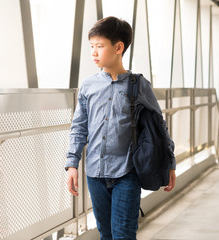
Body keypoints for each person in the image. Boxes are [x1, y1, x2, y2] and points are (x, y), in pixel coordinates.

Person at [65, 16, 176, 240]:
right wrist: (72, 164)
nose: (93, 53)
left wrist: (170, 163)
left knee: (123, 235)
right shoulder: (88, 85)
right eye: (91, 47)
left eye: (99, 46)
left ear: (118, 47)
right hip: (95, 173)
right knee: (106, 234)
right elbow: (79, 127)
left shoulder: (139, 85)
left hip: (127, 172)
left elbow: (159, 126)